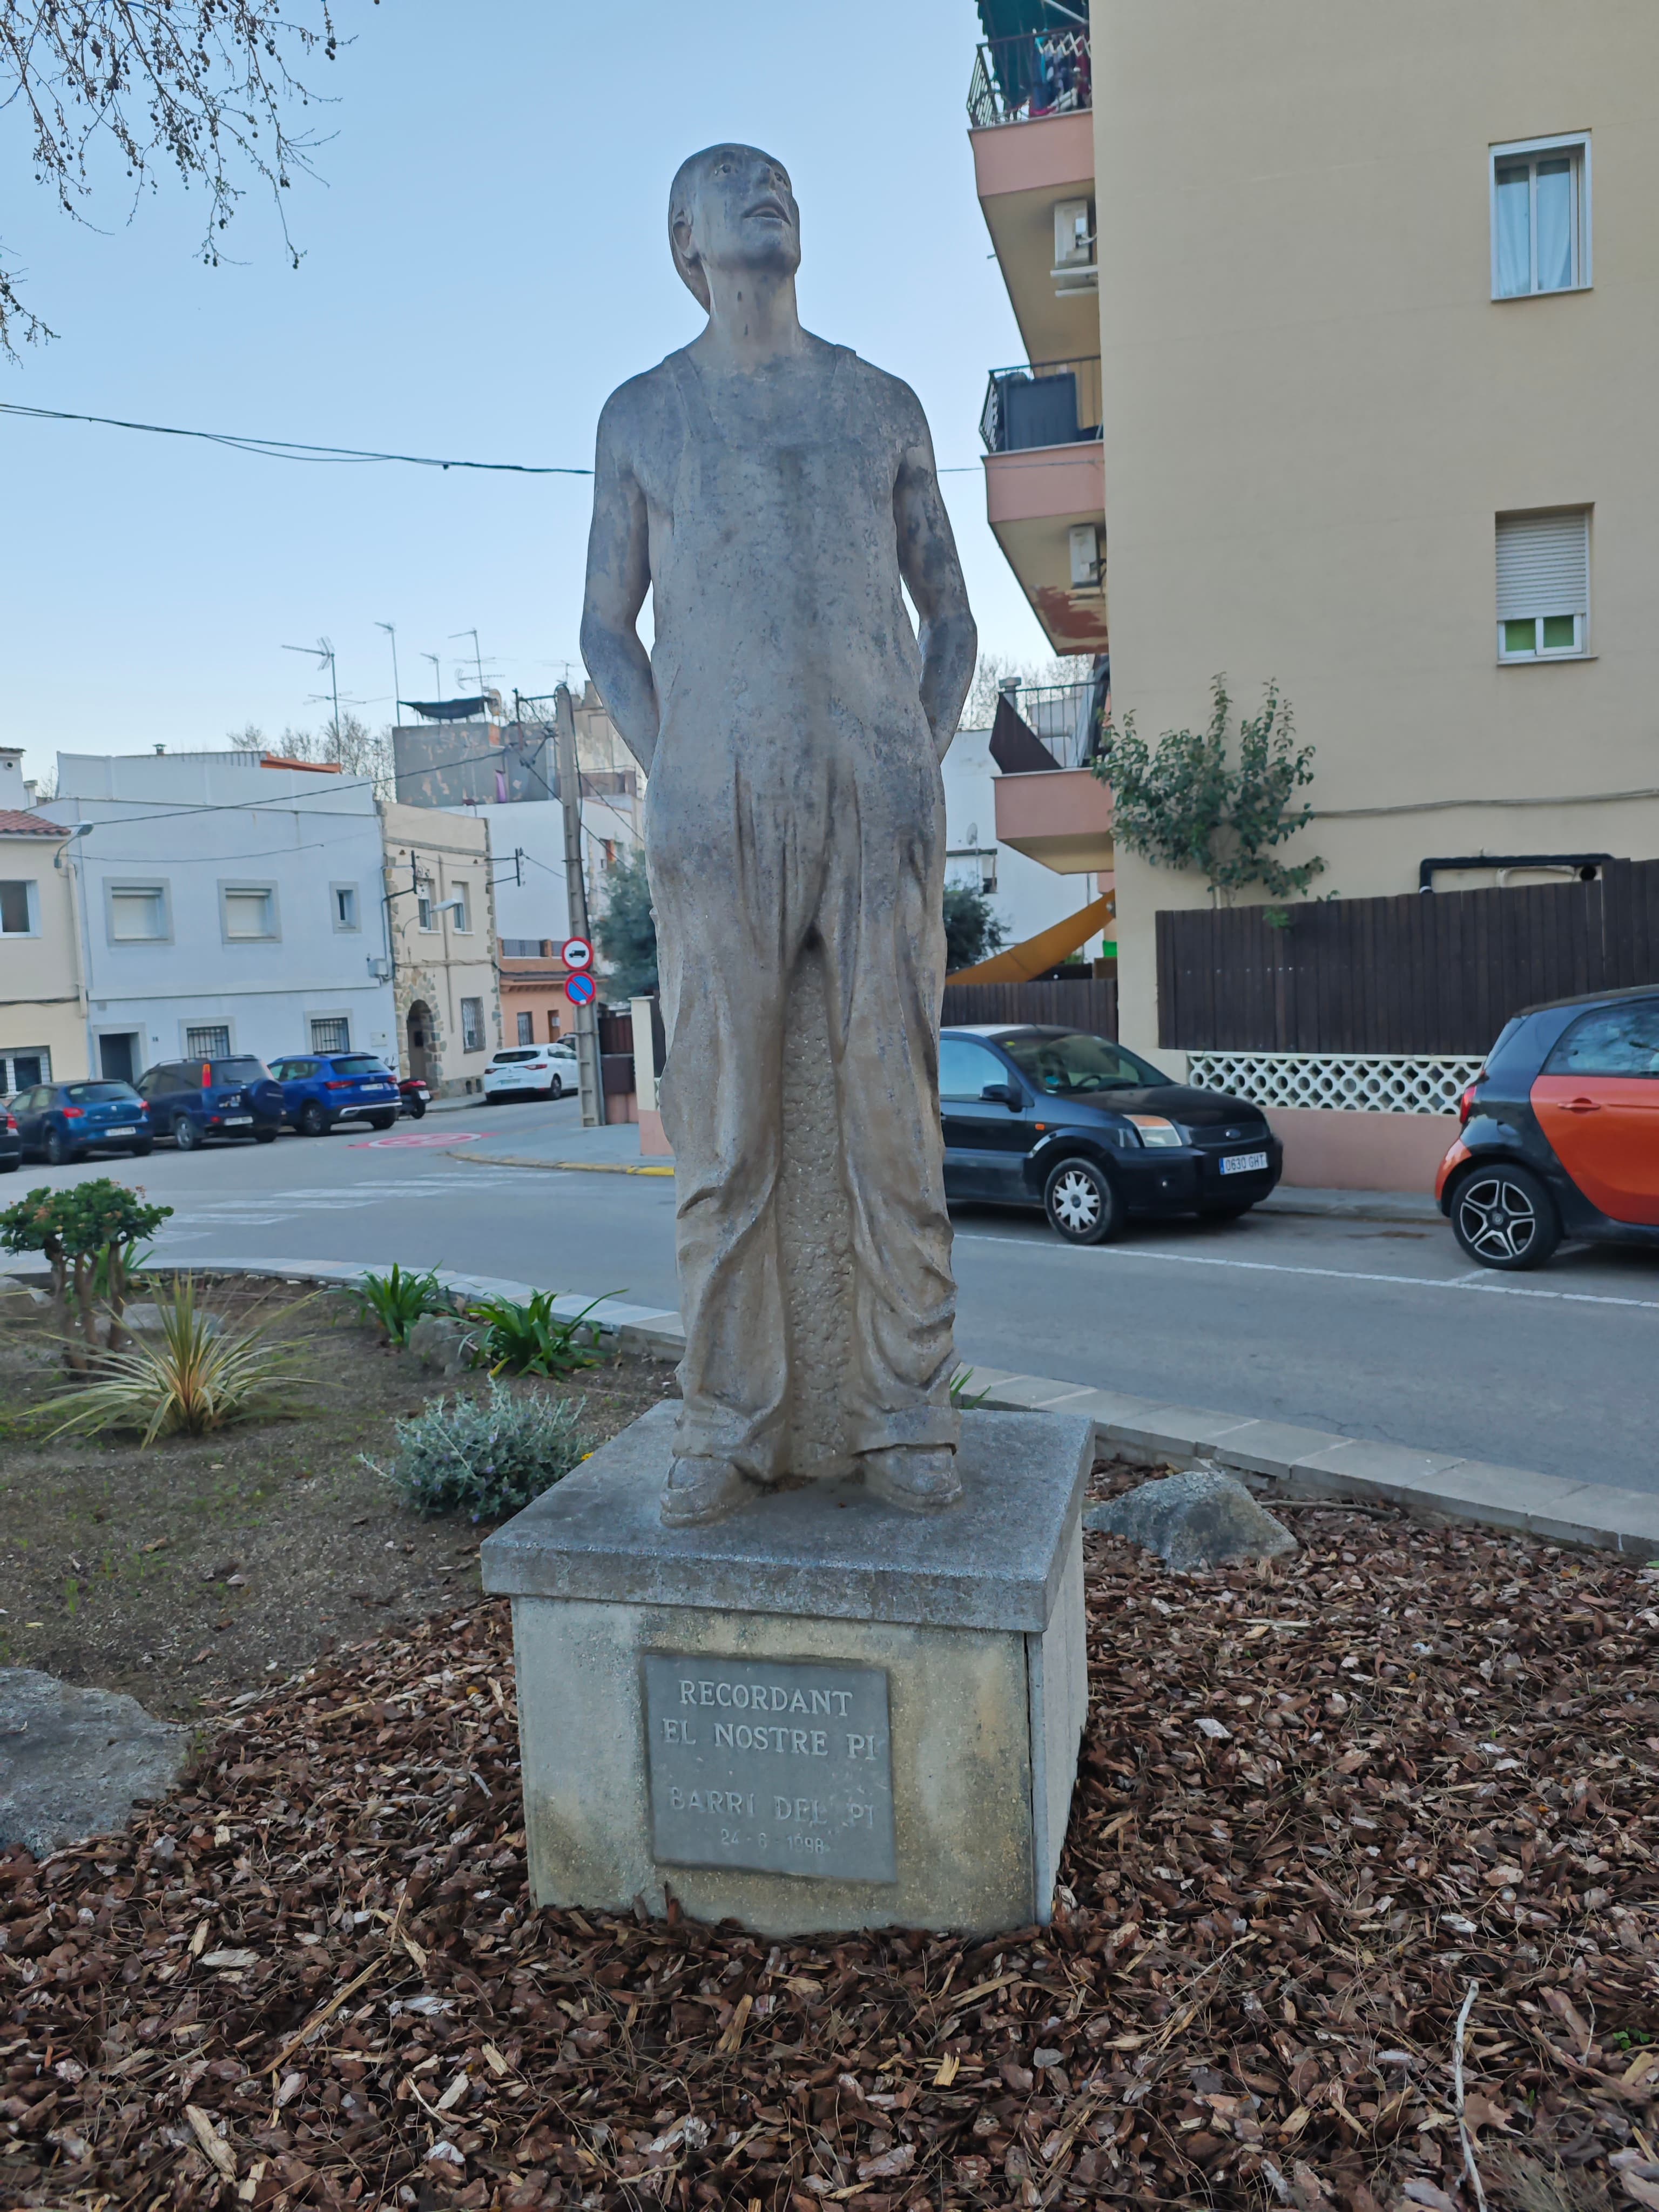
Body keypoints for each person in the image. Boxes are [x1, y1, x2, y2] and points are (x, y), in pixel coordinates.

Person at [580, 143, 977, 1526]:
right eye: (735, 181)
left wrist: (916, 753)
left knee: (897, 1120)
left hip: (877, 798)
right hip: (722, 804)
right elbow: (605, 626)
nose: (771, 192)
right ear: (684, 238)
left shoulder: (881, 405)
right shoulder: (645, 414)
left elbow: (953, 610)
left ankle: (908, 1411)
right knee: (723, 1128)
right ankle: (725, 1420)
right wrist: (674, 767)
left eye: (784, 181)